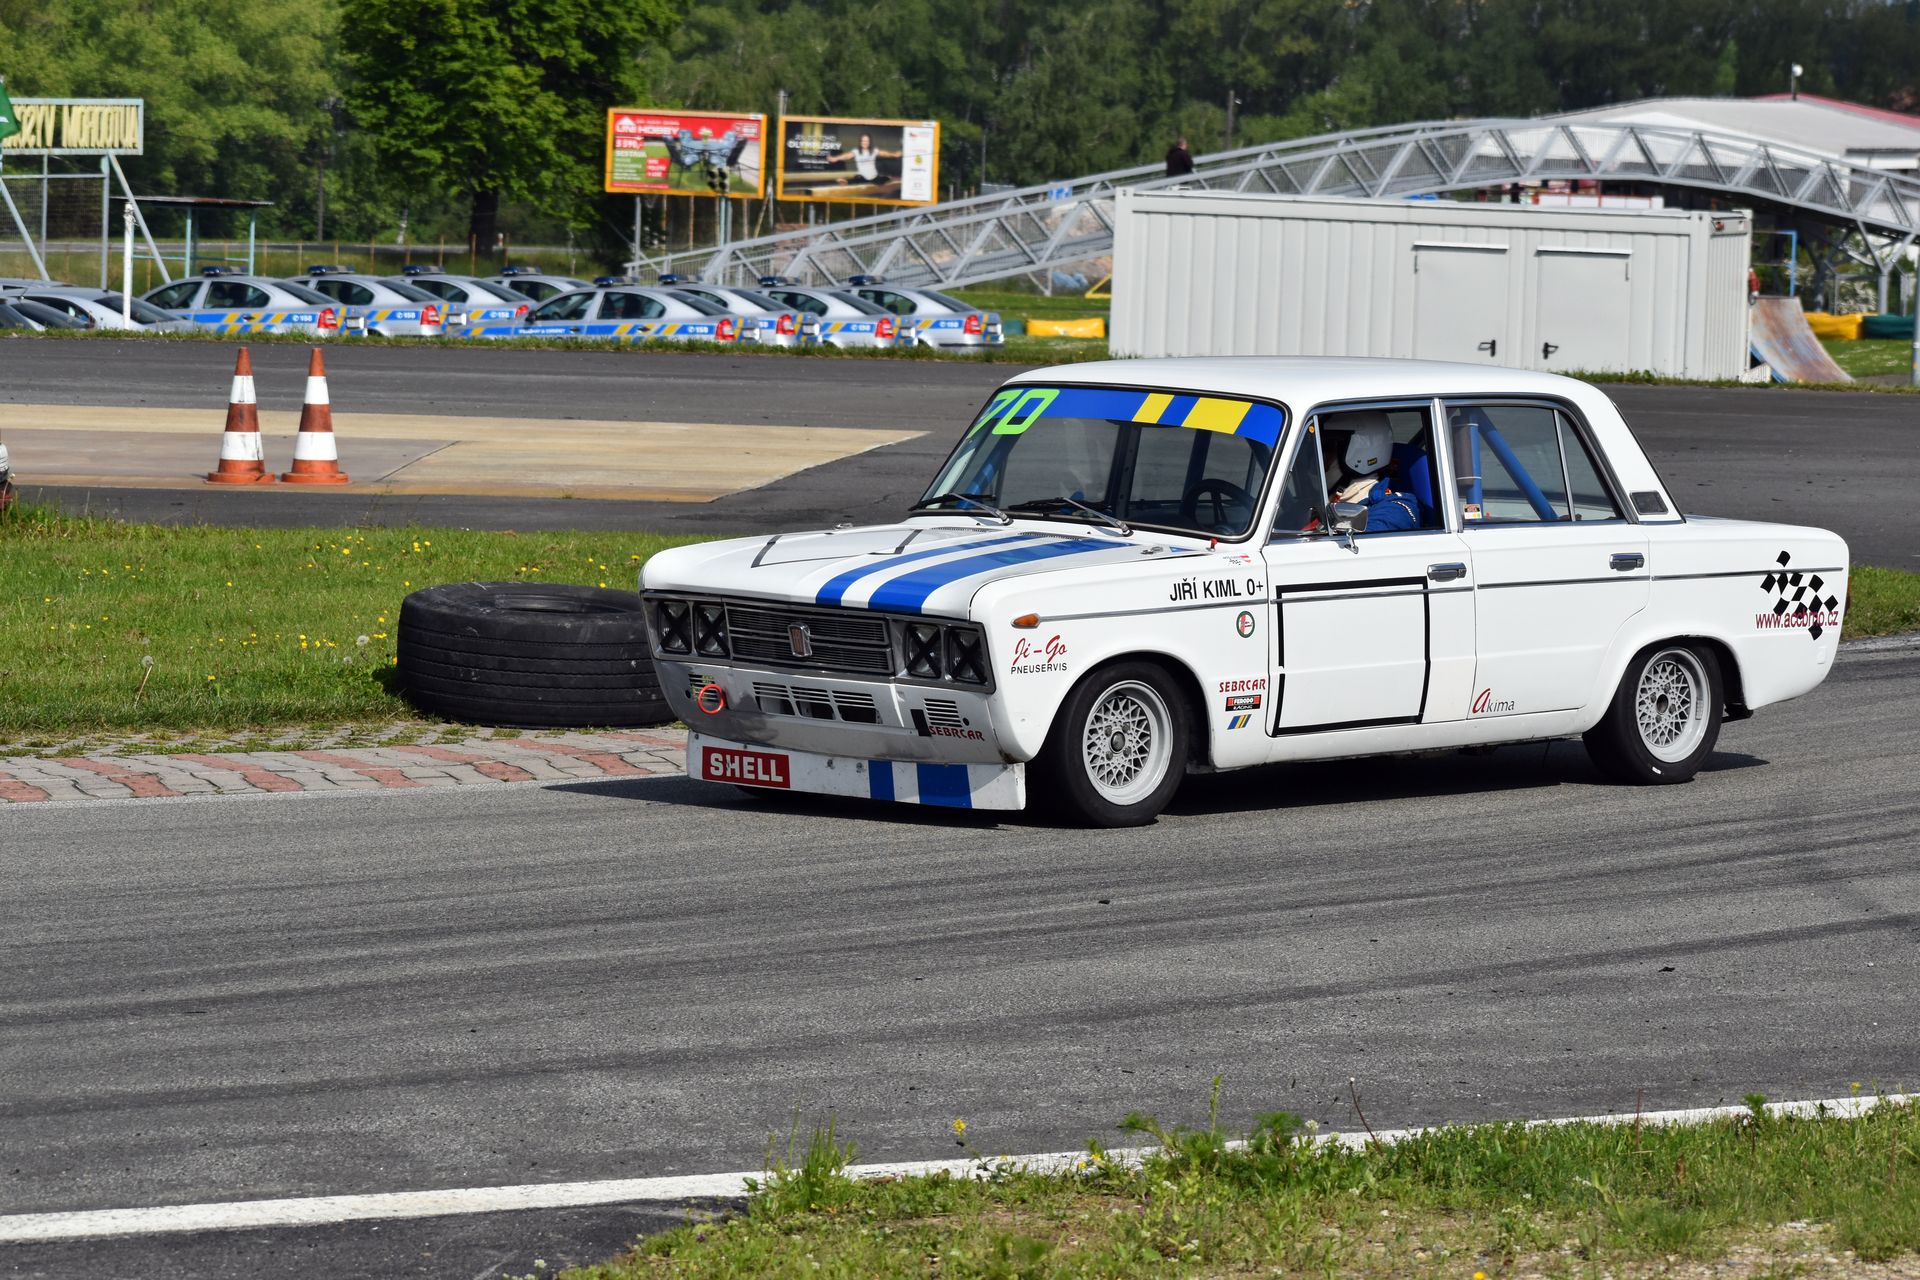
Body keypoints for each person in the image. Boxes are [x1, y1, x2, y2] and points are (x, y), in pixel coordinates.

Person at [1321, 413, 1419, 532]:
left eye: (1326, 447)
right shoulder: (1323, 499)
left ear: (1360, 453)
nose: (1319, 458)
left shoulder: (1394, 511)